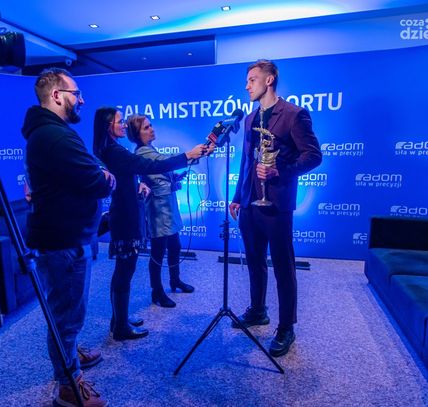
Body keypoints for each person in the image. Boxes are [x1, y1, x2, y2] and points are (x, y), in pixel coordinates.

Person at [22, 68, 114, 407]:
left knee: (68, 311)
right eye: (77, 93)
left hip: (65, 237)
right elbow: (98, 182)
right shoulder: (56, 137)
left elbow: (86, 174)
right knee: (66, 316)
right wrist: (106, 178)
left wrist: (98, 174)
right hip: (63, 242)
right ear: (57, 96)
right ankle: (68, 385)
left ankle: (70, 355)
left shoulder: (52, 133)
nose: (82, 100)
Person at [229, 60, 322, 357]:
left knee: (283, 266)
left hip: (277, 204)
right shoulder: (249, 119)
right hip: (249, 203)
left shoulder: (294, 114)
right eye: (247, 80)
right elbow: (246, 162)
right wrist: (237, 196)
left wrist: (279, 171)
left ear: (269, 80)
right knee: (254, 261)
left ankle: (286, 327)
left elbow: (313, 156)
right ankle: (258, 310)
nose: (247, 86)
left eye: (252, 80)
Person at [93, 106, 207, 340]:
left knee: (124, 270)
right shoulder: (115, 151)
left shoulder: (112, 149)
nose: (123, 125)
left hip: (127, 213)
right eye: (119, 121)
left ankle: (119, 320)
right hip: (125, 217)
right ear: (108, 126)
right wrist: (187, 155)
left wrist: (138, 185)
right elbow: (151, 166)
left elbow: (130, 176)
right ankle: (121, 327)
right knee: (125, 271)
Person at [127, 114, 203, 308]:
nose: (151, 129)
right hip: (158, 208)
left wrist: (173, 180)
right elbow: (165, 162)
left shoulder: (150, 148)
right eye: (146, 127)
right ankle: (157, 291)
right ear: (136, 134)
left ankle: (175, 280)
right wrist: (190, 154)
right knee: (158, 251)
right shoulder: (142, 152)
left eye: (151, 125)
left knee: (175, 246)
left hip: (167, 205)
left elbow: (161, 172)